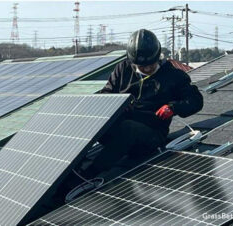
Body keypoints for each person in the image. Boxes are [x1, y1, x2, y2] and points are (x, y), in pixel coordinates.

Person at [84, 29, 204, 178]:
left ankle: (89, 174)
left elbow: (195, 100)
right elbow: (106, 94)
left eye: (151, 65)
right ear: (133, 62)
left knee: (128, 128)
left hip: (151, 135)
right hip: (118, 131)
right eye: (142, 66)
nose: (147, 69)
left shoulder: (173, 76)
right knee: (90, 119)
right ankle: (72, 166)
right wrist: (117, 104)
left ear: (157, 57)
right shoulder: (123, 69)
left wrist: (173, 107)